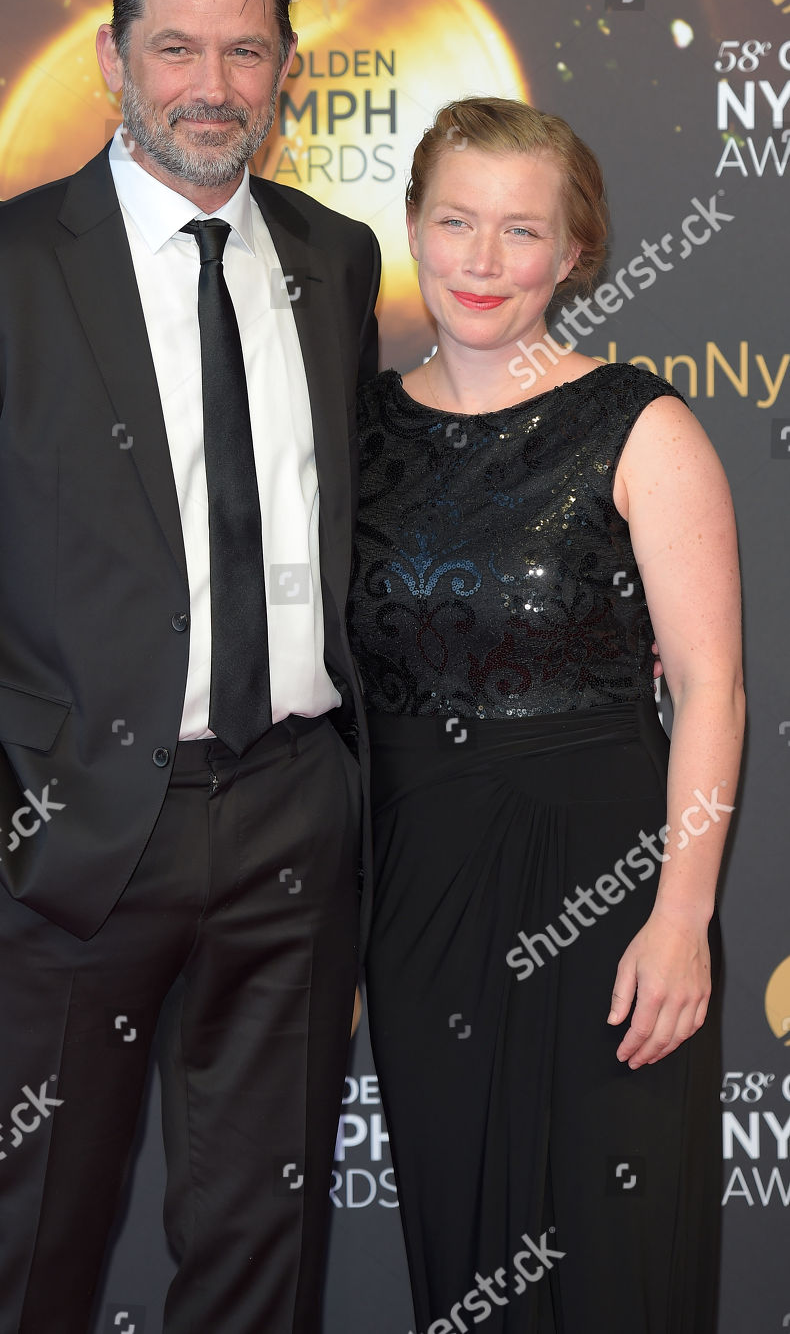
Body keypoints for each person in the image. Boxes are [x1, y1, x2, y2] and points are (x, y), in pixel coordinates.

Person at [0, 0, 379, 1334]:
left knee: (260, 1259)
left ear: (285, 67)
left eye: (245, 50)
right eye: (175, 48)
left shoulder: (333, 258)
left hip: (291, 821)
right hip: (63, 833)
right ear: (112, 57)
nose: (212, 84)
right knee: (30, 1255)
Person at [348, 98, 743, 1333]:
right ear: (411, 226)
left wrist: (680, 918)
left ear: (571, 251)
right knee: (465, 1259)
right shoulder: (350, 432)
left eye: (520, 231)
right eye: (454, 221)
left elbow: (711, 690)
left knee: (614, 1255)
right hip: (418, 900)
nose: (481, 259)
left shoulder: (638, 424)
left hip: (608, 892)